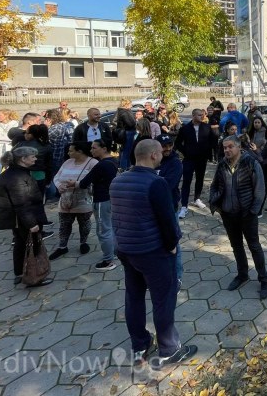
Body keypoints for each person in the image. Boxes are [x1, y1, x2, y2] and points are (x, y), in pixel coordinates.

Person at [111, 139, 195, 369]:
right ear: (153, 156)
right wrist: (172, 245)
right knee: (163, 299)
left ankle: (139, 343)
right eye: (160, 152)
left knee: (134, 297)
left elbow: (117, 216)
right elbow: (168, 221)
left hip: (126, 250)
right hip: (152, 252)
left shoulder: (117, 181)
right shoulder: (155, 183)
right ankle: (169, 349)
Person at [209, 135, 267, 299]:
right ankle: (242, 274)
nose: (227, 150)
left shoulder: (251, 162)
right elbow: (215, 185)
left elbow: (260, 190)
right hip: (228, 214)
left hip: (247, 214)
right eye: (224, 147)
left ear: (238, 147)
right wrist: (216, 204)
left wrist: (253, 211)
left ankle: (264, 279)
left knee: (254, 246)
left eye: (230, 147)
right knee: (236, 246)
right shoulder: (222, 164)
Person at [0, 146, 53, 287]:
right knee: (32, 246)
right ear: (23, 159)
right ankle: (33, 277)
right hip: (23, 219)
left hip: (16, 219)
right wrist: (32, 224)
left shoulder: (13, 173)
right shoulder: (18, 178)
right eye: (33, 156)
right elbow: (22, 203)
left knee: (20, 245)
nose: (35, 159)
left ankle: (19, 273)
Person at [49, 142, 98, 260]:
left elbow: (95, 181)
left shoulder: (93, 163)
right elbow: (56, 177)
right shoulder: (67, 162)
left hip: (83, 200)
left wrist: (77, 184)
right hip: (65, 200)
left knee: (84, 224)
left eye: (71, 151)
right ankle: (62, 246)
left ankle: (83, 243)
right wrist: (59, 185)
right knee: (64, 225)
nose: (68, 153)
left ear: (80, 151)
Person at [80, 139, 119, 270]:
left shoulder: (101, 165)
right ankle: (116, 252)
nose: (91, 150)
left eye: (94, 148)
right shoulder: (113, 161)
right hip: (112, 199)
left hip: (102, 200)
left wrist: (73, 183)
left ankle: (108, 261)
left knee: (103, 230)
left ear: (104, 148)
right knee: (111, 227)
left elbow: (84, 183)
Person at [155, 135, 184, 285]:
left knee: (173, 242)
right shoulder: (153, 160)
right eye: (164, 145)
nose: (167, 148)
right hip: (152, 209)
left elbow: (168, 185)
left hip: (169, 208)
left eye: (170, 144)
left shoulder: (175, 163)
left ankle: (176, 277)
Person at [175, 109, 213, 216]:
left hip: (202, 159)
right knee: (186, 181)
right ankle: (184, 205)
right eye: (199, 115)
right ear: (193, 115)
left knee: (200, 179)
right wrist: (185, 152)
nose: (202, 116)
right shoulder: (185, 128)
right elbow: (178, 143)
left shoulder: (206, 127)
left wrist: (208, 154)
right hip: (189, 159)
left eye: (202, 115)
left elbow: (211, 142)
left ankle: (197, 198)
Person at [0, 109, 19, 195]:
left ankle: (10, 191)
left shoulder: (15, 124)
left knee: (11, 173)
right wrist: (6, 138)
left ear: (6, 115)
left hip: (10, 152)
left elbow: (14, 138)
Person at [113, 99, 137, 170]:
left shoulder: (122, 111)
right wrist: (135, 124)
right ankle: (125, 168)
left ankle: (124, 167)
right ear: (126, 104)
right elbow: (130, 123)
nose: (131, 106)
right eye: (130, 104)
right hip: (128, 132)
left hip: (126, 132)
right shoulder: (124, 112)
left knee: (124, 152)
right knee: (126, 152)